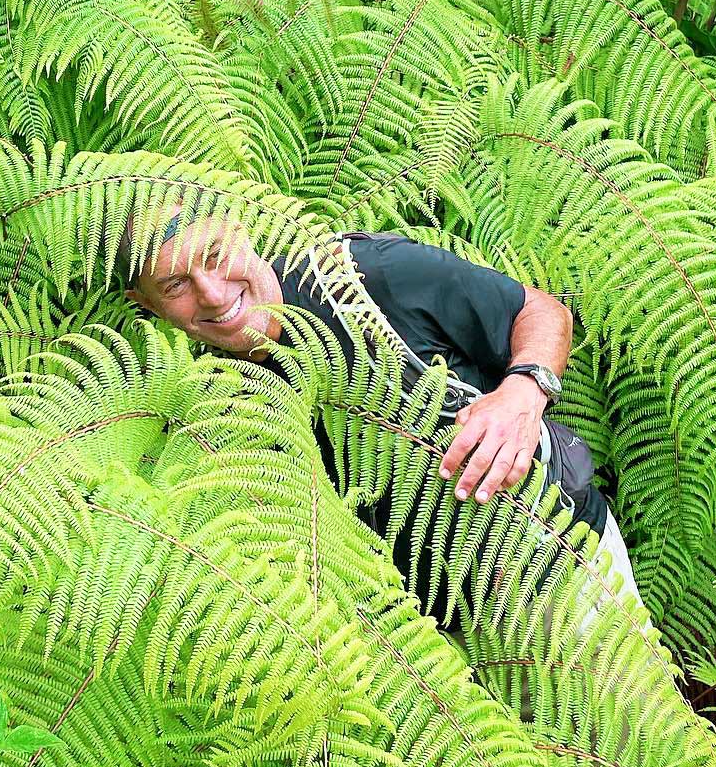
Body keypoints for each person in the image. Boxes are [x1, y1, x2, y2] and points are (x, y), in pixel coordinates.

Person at [120, 207, 643, 613]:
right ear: (147, 306)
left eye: (212, 255)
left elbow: (540, 310)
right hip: (434, 646)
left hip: (562, 564)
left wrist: (525, 392)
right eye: (175, 285)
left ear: (237, 230)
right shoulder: (220, 402)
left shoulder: (366, 278)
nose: (211, 294)